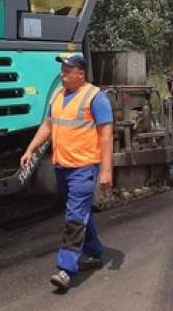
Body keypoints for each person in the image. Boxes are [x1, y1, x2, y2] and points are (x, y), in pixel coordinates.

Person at [20, 54, 114, 290]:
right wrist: (31, 149)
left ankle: (65, 269)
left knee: (74, 215)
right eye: (62, 69)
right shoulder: (58, 95)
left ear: (80, 74)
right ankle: (93, 251)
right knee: (80, 212)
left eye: (66, 70)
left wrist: (106, 171)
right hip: (62, 166)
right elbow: (47, 126)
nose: (62, 74)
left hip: (84, 167)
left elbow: (106, 136)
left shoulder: (96, 98)